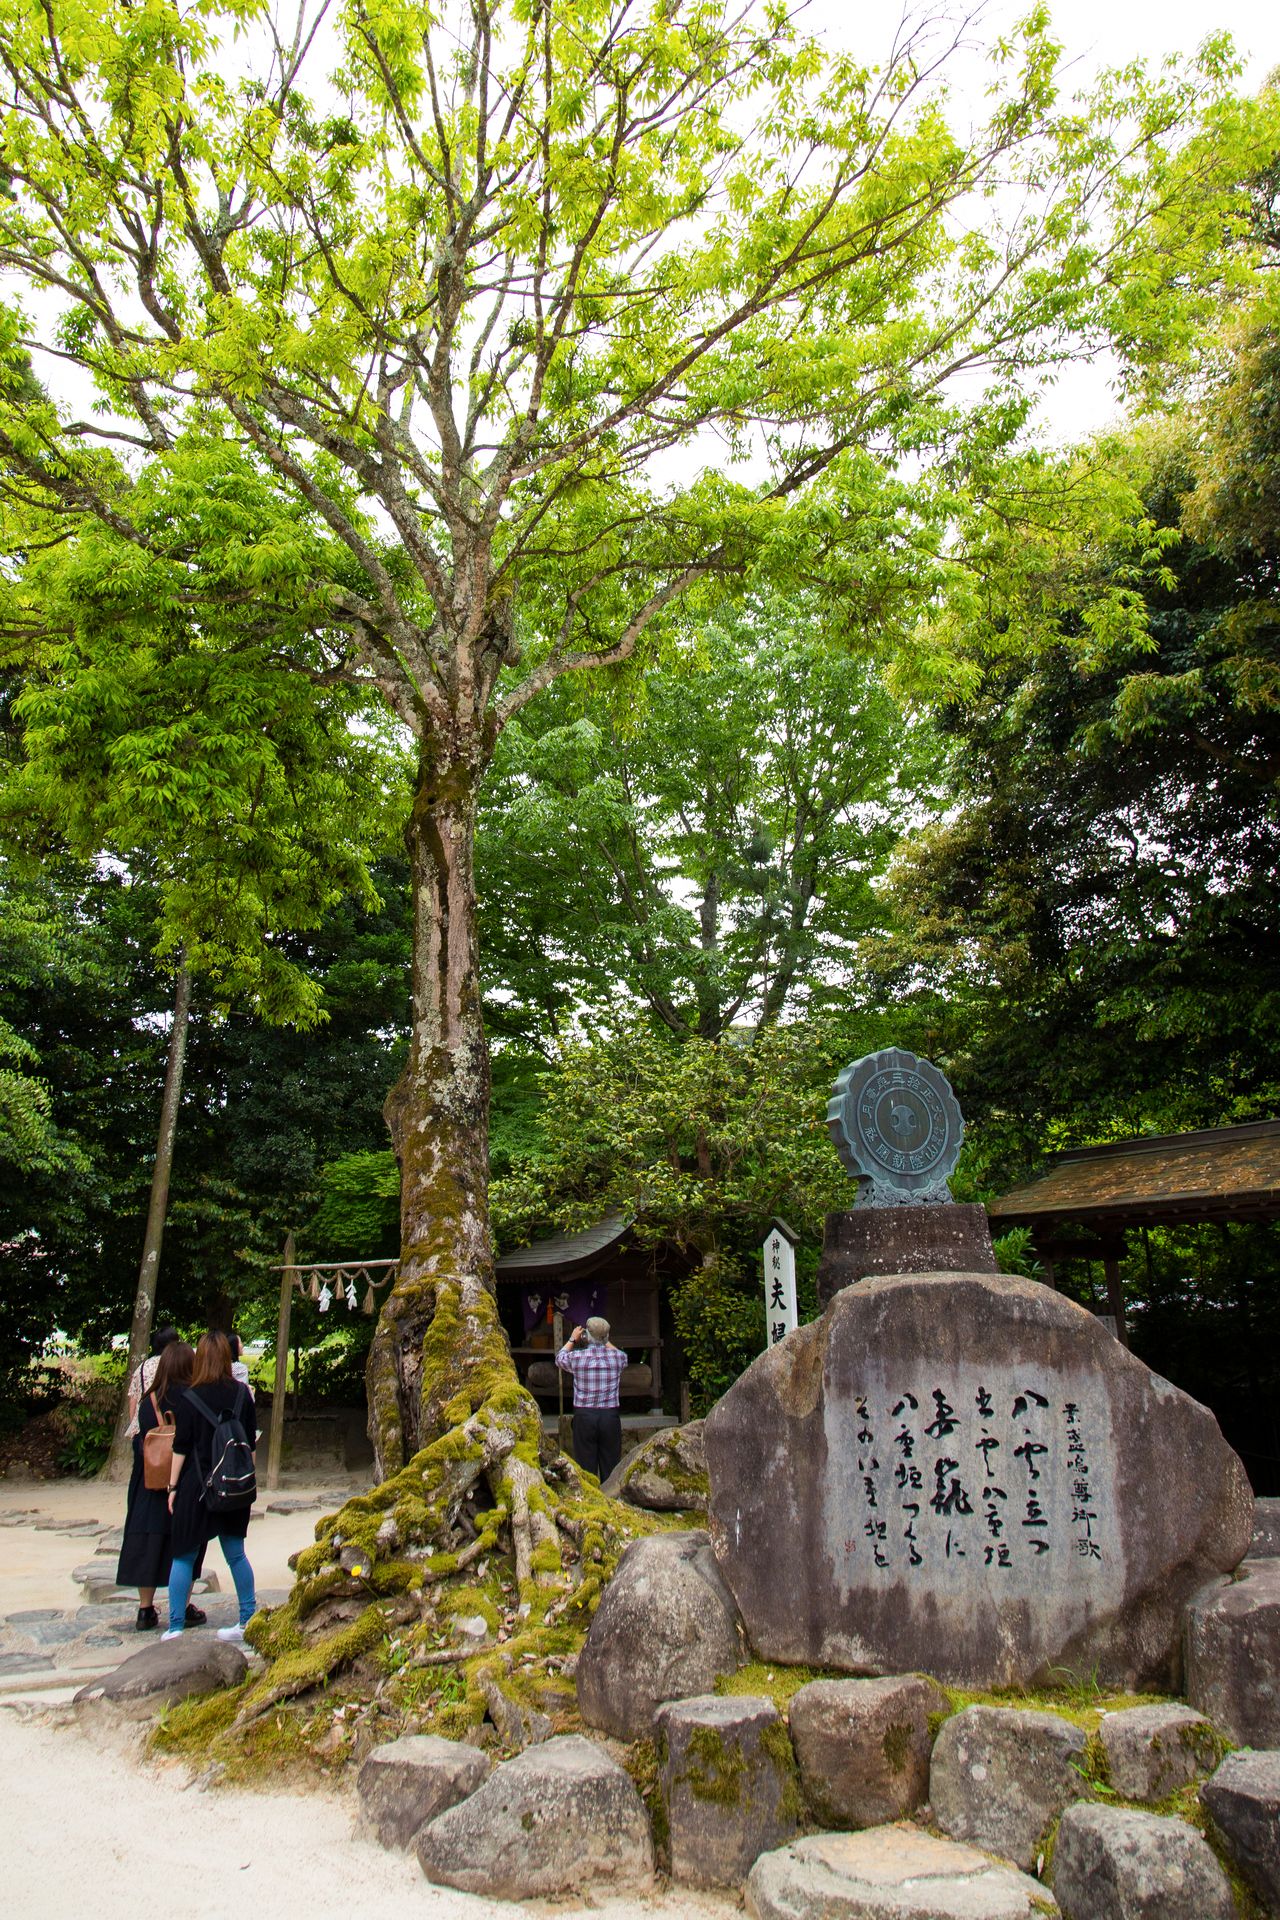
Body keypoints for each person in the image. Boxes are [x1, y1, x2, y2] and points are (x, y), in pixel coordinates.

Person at [163, 1330, 257, 1643]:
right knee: (237, 1555)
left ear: (200, 1358)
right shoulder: (243, 1394)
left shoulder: (189, 1398)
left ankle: (175, 1627)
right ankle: (247, 1619)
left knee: (183, 1556)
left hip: (196, 1484)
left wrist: (172, 1487)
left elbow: (181, 1446)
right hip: (232, 1483)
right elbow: (250, 1447)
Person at [117, 1339, 206, 1632]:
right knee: (187, 1545)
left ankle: (145, 1609)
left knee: (148, 1542)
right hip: (184, 1482)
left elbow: (139, 1437)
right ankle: (182, 1606)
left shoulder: (150, 1400)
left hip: (149, 1481)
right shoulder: (194, 1398)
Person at [556, 1315, 627, 1482]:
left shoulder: (578, 1358)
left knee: (586, 1466)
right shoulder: (618, 1358)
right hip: (610, 1417)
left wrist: (573, 1339)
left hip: (584, 1415)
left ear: (586, 1335)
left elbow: (559, 1358)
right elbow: (622, 1355)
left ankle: (591, 1501)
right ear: (607, 1337)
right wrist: (604, 1340)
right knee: (611, 1465)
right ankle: (611, 1500)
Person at [124, 1325, 179, 1440]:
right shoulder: (175, 1365)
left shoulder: (142, 1367)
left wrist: (134, 1425)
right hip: (168, 1427)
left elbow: (133, 1399)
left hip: (143, 1428)